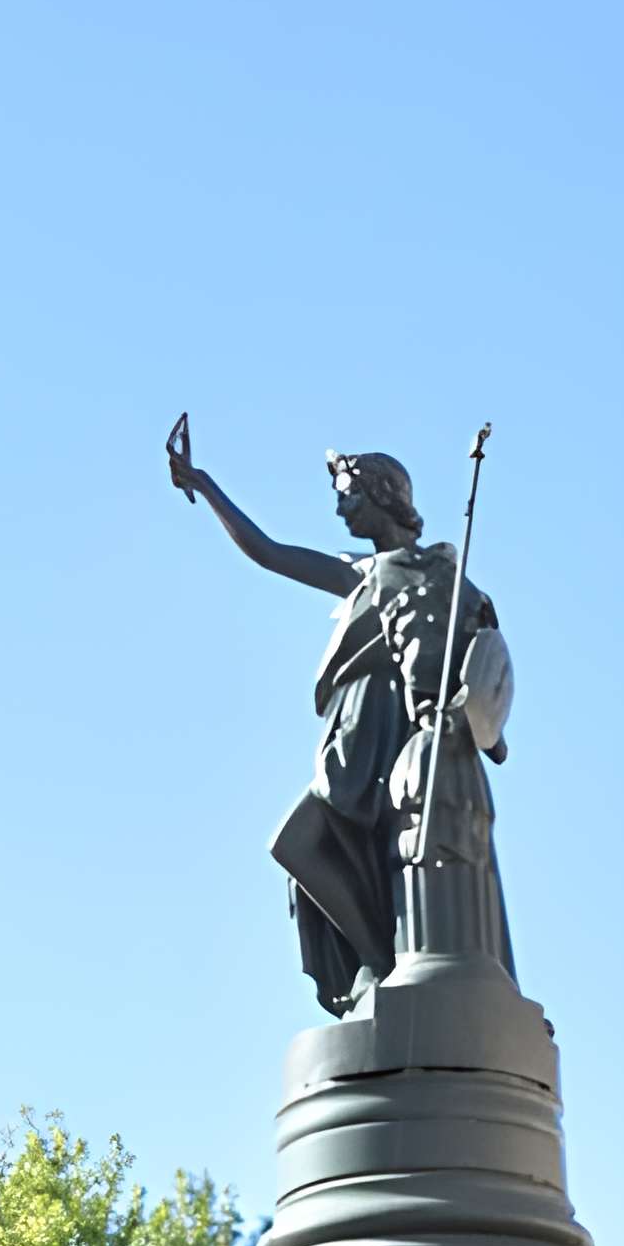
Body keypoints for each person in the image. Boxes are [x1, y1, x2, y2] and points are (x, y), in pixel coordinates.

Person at [167, 435, 512, 1016]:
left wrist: (467, 717)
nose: (339, 509)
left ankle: (381, 961)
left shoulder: (445, 578)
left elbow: (479, 671)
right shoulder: (365, 570)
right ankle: (376, 963)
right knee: (305, 846)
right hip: (352, 727)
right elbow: (269, 552)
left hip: (391, 730)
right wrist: (203, 484)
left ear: (382, 495)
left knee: (307, 841)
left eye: (348, 495)